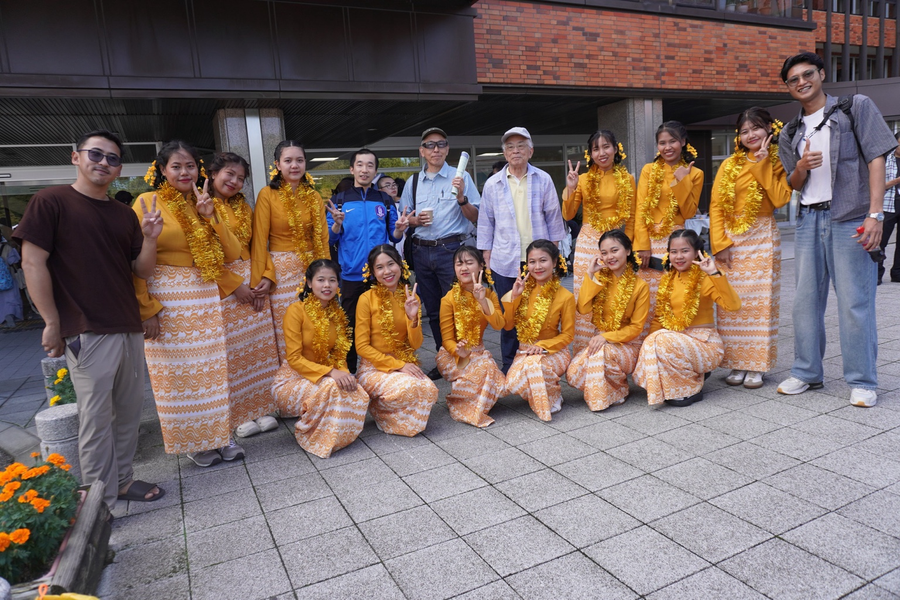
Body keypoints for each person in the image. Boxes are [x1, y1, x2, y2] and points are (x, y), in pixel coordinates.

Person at [14, 129, 165, 506]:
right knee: (97, 419)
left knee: (128, 412)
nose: (103, 163)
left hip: (127, 323)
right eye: (95, 154)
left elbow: (142, 271)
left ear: (119, 170)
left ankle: (122, 481)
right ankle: (99, 501)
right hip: (86, 327)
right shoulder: (50, 201)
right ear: (76, 157)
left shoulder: (122, 214)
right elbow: (33, 263)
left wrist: (150, 238)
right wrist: (52, 322)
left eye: (113, 158)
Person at [777, 51, 898, 407]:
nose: (801, 82)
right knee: (804, 303)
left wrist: (875, 214)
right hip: (808, 220)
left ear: (821, 74)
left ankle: (862, 380)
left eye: (807, 74)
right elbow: (794, 183)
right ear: (788, 88)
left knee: (855, 302)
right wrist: (801, 166)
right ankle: (806, 372)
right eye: (793, 80)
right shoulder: (790, 131)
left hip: (850, 217)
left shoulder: (854, 108)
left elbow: (877, 158)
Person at [134, 140, 246, 467]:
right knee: (179, 375)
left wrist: (211, 216)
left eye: (190, 166)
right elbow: (133, 261)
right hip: (166, 299)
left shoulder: (202, 200)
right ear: (162, 170)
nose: (185, 172)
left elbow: (232, 253)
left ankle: (222, 436)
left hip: (204, 297)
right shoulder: (147, 202)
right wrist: (145, 308)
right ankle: (194, 442)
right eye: (176, 166)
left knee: (213, 371)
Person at [710, 108, 791, 390]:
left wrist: (763, 163)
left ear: (769, 129)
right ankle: (736, 361)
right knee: (730, 303)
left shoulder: (778, 161)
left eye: (756, 128)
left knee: (761, 303)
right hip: (731, 239)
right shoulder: (728, 164)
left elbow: (780, 199)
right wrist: (720, 243)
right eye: (744, 131)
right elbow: (716, 205)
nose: (750, 135)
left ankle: (756, 364)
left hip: (762, 237)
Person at [477, 127, 567, 373]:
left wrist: (554, 256)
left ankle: (539, 363)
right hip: (504, 260)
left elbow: (553, 218)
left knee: (539, 312)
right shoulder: (493, 184)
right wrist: (487, 258)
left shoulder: (543, 179)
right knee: (510, 315)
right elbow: (486, 222)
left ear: (531, 151)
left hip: (538, 260)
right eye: (510, 147)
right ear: (504, 153)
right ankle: (509, 366)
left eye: (520, 146)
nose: (515, 151)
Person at [207, 153, 281, 438]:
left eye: (240, 178)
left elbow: (258, 244)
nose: (235, 182)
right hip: (223, 286)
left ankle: (263, 407)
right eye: (229, 174)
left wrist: (265, 277)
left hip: (252, 279)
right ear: (213, 173)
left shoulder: (244, 206)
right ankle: (238, 414)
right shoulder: (198, 206)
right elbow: (202, 255)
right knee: (233, 352)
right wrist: (234, 286)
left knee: (260, 349)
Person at [400, 127, 481, 380]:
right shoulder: (413, 182)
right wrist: (414, 221)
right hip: (421, 251)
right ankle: (443, 358)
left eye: (441, 144)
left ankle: (466, 357)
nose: (436, 149)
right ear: (422, 151)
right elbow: (404, 218)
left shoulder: (461, 177)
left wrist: (462, 198)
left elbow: (476, 216)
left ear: (447, 149)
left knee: (459, 307)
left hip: (451, 251)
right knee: (434, 311)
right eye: (430, 145)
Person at [272, 259, 370, 458]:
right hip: (292, 379)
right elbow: (294, 358)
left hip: (325, 376)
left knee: (357, 392)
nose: (327, 285)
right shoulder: (296, 311)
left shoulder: (337, 315)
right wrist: (331, 373)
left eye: (332, 280)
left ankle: (337, 436)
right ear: (309, 283)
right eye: (321, 280)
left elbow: (339, 354)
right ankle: (310, 434)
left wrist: (343, 374)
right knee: (333, 386)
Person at [634, 230, 741, 407]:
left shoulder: (706, 277)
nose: (679, 257)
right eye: (674, 252)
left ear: (697, 252)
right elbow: (660, 317)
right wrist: (649, 348)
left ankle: (691, 388)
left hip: (705, 344)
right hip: (675, 341)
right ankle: (682, 382)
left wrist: (714, 273)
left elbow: (733, 306)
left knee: (660, 339)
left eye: (685, 251)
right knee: (653, 341)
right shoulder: (668, 278)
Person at [326, 149, 409, 372]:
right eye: (360, 165)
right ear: (352, 169)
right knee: (350, 324)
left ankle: (382, 367)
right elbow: (330, 238)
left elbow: (394, 236)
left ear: (375, 170)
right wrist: (337, 224)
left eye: (370, 165)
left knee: (384, 322)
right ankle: (350, 370)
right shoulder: (340, 201)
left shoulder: (384, 200)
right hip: (351, 274)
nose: (365, 170)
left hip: (380, 274)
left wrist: (400, 229)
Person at [252, 140, 330, 362]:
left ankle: (316, 370)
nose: (294, 165)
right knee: (288, 327)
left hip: (311, 269)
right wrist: (262, 276)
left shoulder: (314, 196)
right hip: (281, 271)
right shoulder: (267, 194)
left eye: (299, 160)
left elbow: (322, 239)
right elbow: (259, 240)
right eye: (288, 161)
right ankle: (290, 376)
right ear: (277, 164)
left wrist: (327, 276)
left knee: (314, 325)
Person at [562, 130, 636, 354]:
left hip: (615, 245)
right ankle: (584, 354)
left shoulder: (627, 179)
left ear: (616, 149)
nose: (601, 153)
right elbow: (568, 214)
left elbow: (632, 217)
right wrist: (571, 187)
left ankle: (611, 350)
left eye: (606, 147)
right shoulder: (583, 179)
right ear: (590, 154)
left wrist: (630, 248)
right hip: (588, 243)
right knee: (586, 295)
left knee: (614, 296)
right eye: (596, 149)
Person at [355, 245, 438, 436]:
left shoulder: (411, 298)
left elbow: (415, 344)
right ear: (373, 272)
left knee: (429, 389)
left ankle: (392, 415)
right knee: (410, 387)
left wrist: (412, 318)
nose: (387, 271)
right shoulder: (366, 299)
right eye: (380, 267)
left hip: (403, 363)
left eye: (391, 264)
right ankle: (380, 409)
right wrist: (398, 365)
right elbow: (361, 346)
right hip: (373, 368)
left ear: (400, 266)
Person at [566, 230, 649, 411]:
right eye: (604, 253)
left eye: (614, 250)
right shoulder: (599, 279)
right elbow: (583, 309)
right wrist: (590, 274)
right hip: (600, 342)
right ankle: (611, 388)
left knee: (602, 354)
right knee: (573, 375)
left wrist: (606, 337)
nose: (609, 257)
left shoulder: (640, 286)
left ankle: (614, 391)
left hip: (628, 345)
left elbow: (636, 328)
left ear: (628, 251)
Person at [633, 122, 704, 334]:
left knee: (673, 296)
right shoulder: (648, 170)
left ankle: (671, 343)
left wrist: (682, 181)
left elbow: (689, 212)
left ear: (683, 142)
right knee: (647, 297)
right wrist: (642, 245)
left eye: (672, 141)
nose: (667, 147)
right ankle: (646, 345)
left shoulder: (695, 173)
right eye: (662, 143)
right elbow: (640, 208)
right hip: (649, 242)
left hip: (676, 242)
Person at [502, 240, 575, 421]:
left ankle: (552, 395)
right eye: (532, 262)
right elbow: (508, 326)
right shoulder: (521, 290)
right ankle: (543, 392)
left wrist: (543, 346)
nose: (537, 267)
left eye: (543, 260)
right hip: (525, 351)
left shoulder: (565, 296)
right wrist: (514, 297)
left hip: (553, 351)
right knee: (511, 383)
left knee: (534, 366)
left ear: (554, 262)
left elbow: (568, 334)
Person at [435, 246, 506, 427]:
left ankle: (466, 399)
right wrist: (458, 351)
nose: (464, 268)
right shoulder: (448, 299)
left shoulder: (489, 294)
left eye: (469, 263)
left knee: (490, 371)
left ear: (481, 266)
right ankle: (465, 404)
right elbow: (446, 339)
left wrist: (482, 300)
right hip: (452, 355)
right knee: (486, 369)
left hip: (478, 352)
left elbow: (499, 324)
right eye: (459, 264)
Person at [878, 132, 900, 284]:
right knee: (881, 241)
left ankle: (897, 274)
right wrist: (896, 181)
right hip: (887, 204)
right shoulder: (884, 159)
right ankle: (876, 274)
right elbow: (876, 185)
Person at [0, 236, 23, 328]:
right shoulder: (7, 248)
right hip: (9, 277)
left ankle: (3, 318)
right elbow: (14, 261)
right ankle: (11, 315)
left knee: (1, 300)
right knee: (12, 297)